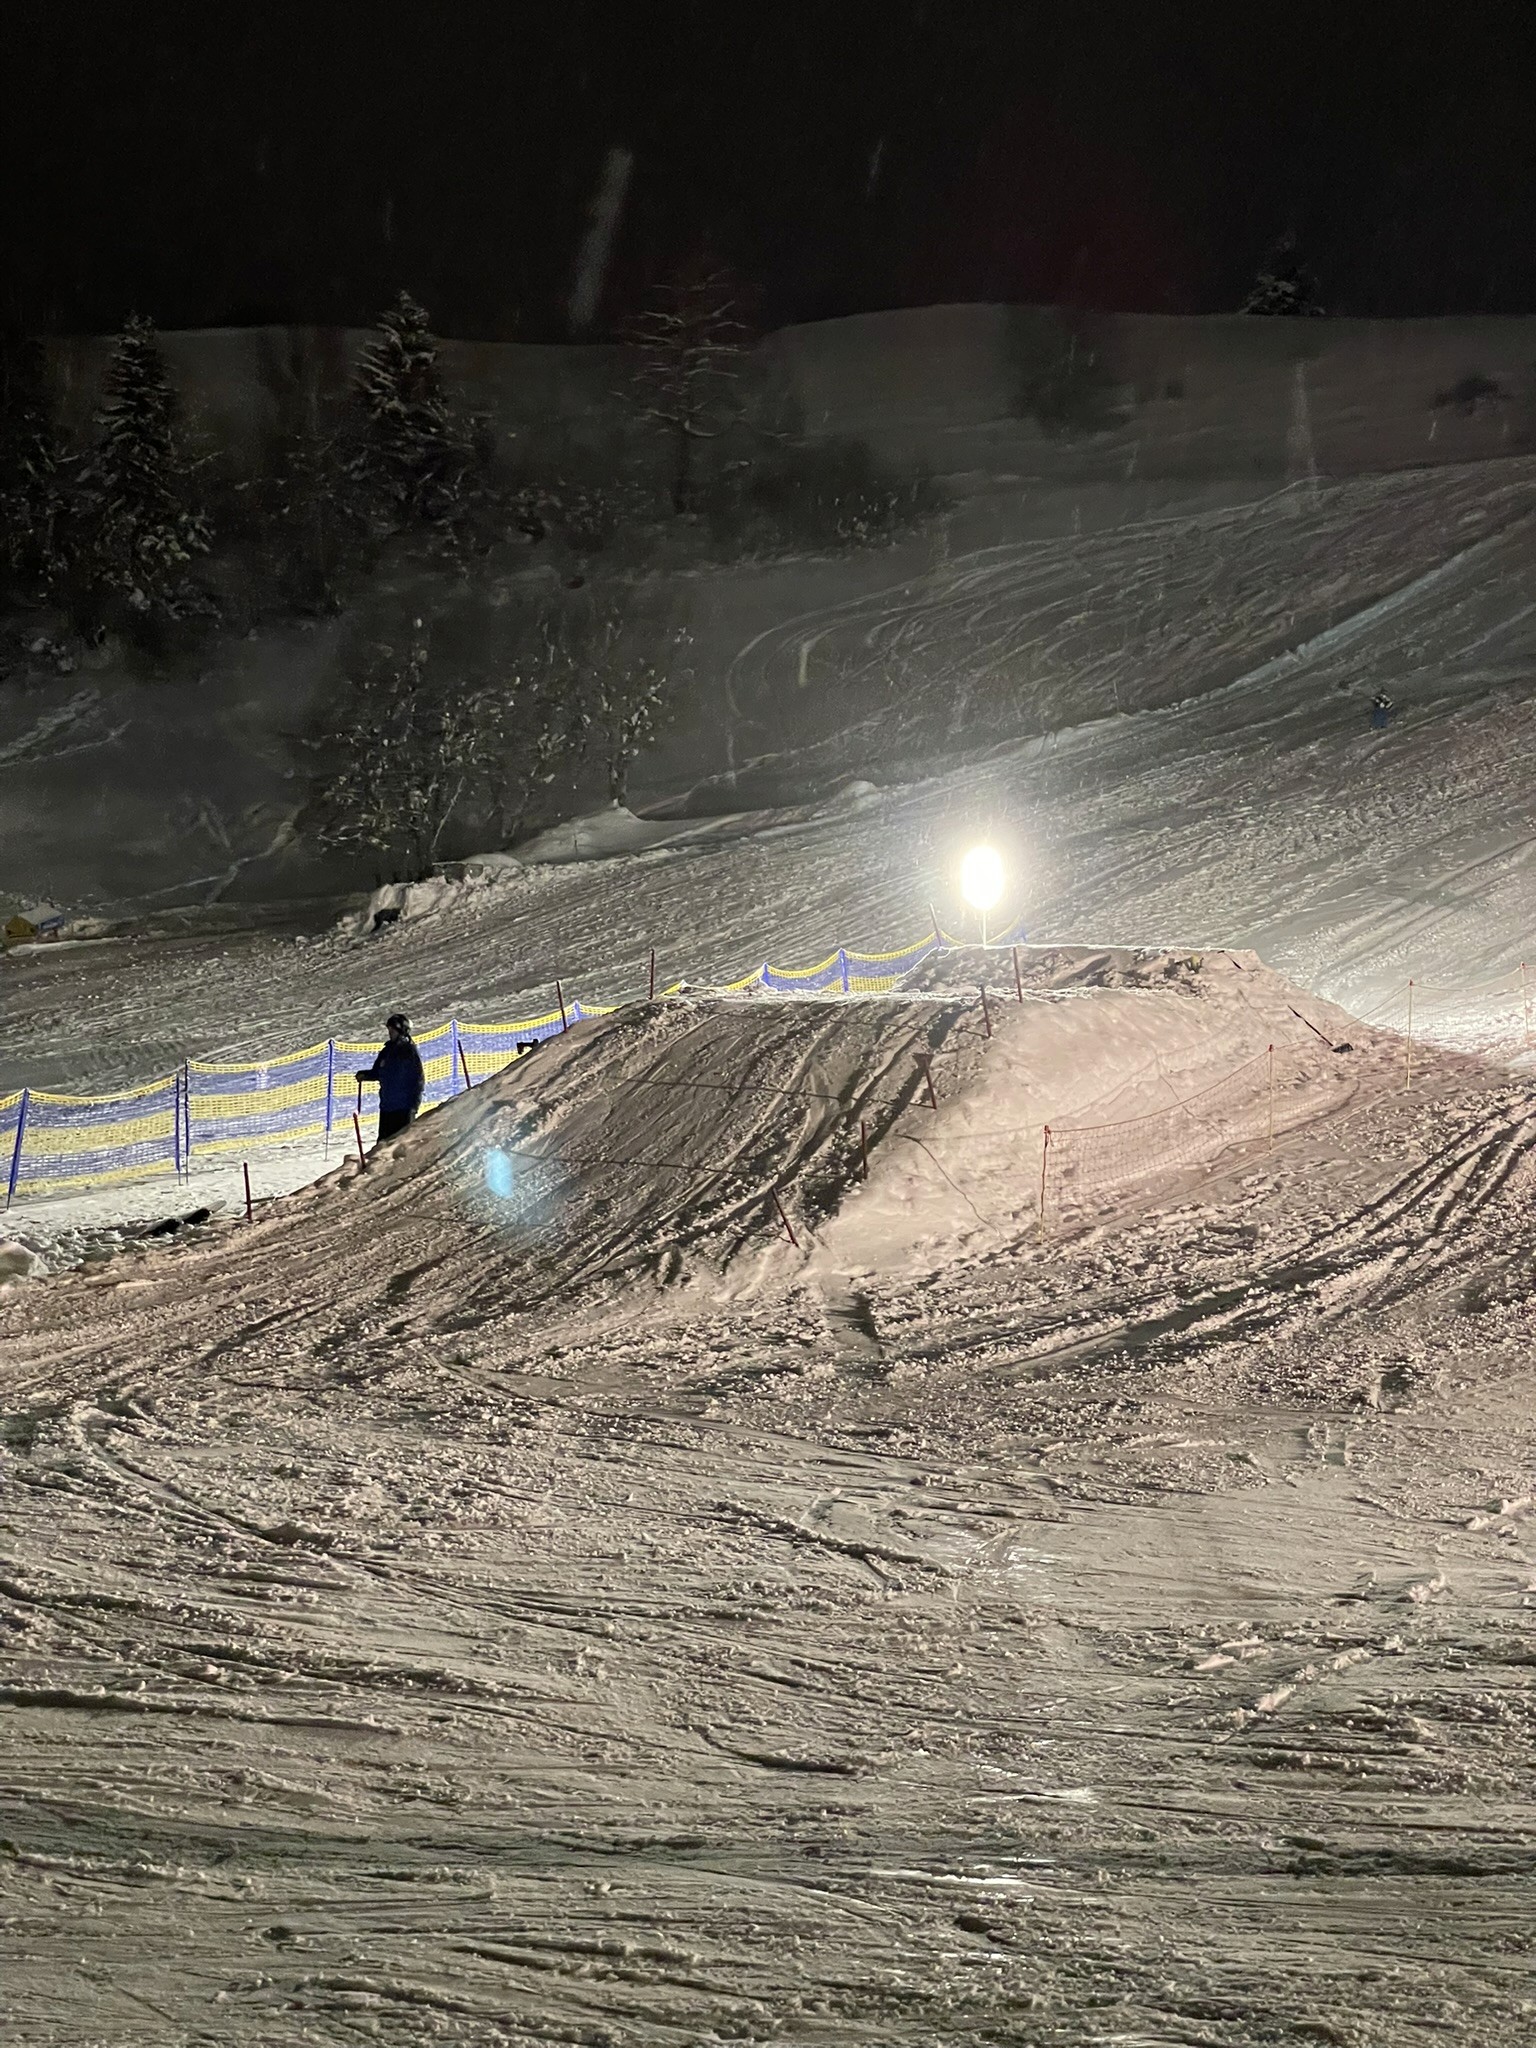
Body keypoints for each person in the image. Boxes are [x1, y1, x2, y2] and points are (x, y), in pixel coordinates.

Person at [356, 1013, 425, 1142]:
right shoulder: (387, 1051)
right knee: (383, 1145)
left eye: (392, 1030)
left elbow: (418, 1079)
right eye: (389, 1030)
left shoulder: (408, 1051)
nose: (390, 1033)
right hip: (387, 1106)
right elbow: (379, 1072)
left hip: (404, 1107)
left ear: (401, 1030)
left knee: (399, 1145)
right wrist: (365, 1075)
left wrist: (414, 1104)